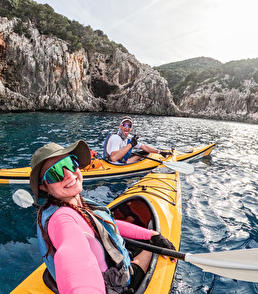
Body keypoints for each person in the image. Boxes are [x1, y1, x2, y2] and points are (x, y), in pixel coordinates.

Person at [29, 140, 176, 294]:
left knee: (151, 242)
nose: (69, 174)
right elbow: (72, 252)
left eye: (70, 163)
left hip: (110, 269)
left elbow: (106, 224)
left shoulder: (75, 203)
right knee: (154, 251)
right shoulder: (61, 218)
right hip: (115, 284)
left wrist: (152, 235)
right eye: (55, 173)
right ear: (44, 187)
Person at [104, 116, 172, 164]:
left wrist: (160, 152)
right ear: (120, 126)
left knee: (145, 153)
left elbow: (144, 147)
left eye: (129, 126)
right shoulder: (116, 138)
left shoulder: (129, 138)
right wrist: (131, 144)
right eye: (125, 125)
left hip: (121, 161)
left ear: (131, 128)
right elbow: (113, 158)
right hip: (113, 164)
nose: (127, 127)